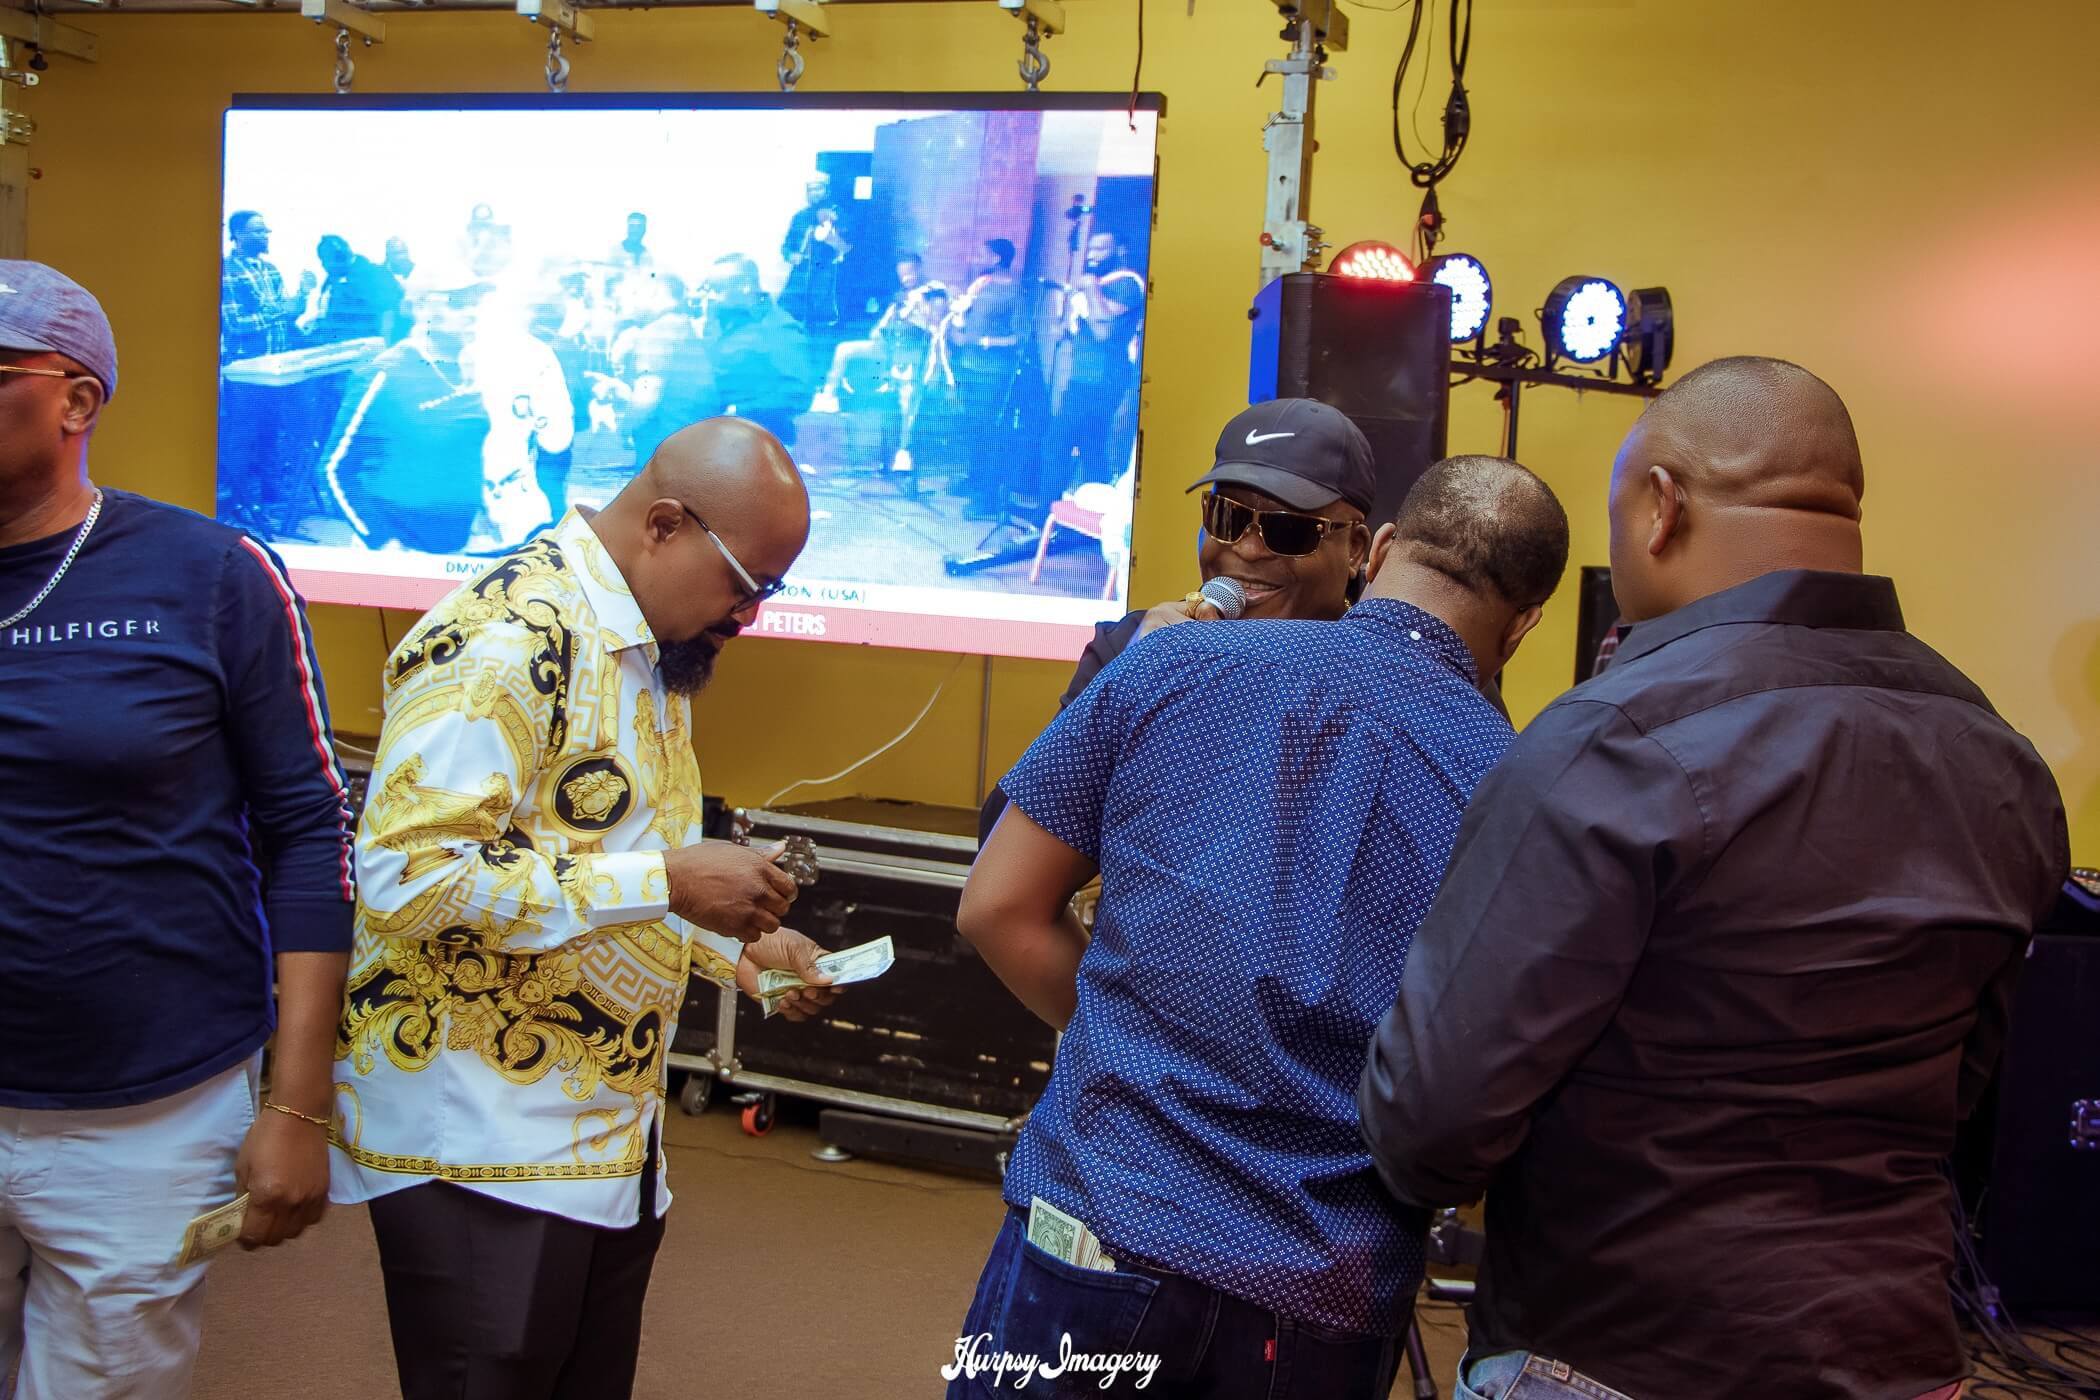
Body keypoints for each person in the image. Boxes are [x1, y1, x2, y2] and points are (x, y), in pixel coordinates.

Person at [1359, 357, 2070, 1400]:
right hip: (1899, 1357)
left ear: (1661, 507)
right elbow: (1967, 1092)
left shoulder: (1613, 737)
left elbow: (1434, 1123)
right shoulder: (2004, 761)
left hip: (1621, 1354)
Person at [952, 454, 1570, 1400]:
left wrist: (1139, 1040)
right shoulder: (1522, 787)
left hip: (1103, 1221)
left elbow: (997, 906)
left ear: (1381, 549)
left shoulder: (1172, 661)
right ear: (1525, 622)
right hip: (1326, 1284)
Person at [331, 417, 844, 1400]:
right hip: (482, 1142)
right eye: (747, 583)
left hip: (605, 1141)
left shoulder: (652, 646)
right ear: (664, 524)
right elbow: (408, 876)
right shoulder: (505, 636)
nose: (752, 614)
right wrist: (669, 883)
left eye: (772, 591)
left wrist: (740, 954)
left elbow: (608, 864)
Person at [0, 261, 354, 1397]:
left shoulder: (210, 575)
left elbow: (310, 833)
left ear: (76, 400)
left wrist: (298, 1102)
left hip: (140, 1112)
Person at [975, 397, 1381, 845]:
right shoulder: (1135, 644)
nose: (1247, 549)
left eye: (1289, 530)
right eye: (1227, 517)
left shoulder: (1385, 680)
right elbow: (1000, 840)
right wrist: (1131, 681)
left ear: (1356, 549)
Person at [318, 279, 494, 555]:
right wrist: (381, 541)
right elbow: (332, 469)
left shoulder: (478, 370)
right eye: (457, 303)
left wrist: (482, 512)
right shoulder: (385, 374)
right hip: (401, 549)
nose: (471, 313)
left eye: (475, 303)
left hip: (460, 546)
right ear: (420, 308)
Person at [1037, 230, 1146, 502]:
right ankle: (1087, 509)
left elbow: (1102, 331)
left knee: (1059, 442)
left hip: (1102, 378)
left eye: (1101, 249)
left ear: (1120, 251)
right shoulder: (1100, 283)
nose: (1092, 255)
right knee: (1090, 446)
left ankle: (1045, 510)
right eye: (1091, 249)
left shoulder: (1127, 283)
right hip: (1083, 375)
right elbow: (1078, 330)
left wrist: (1089, 288)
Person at [945, 237, 1025, 517]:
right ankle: (973, 480)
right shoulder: (981, 285)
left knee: (990, 432)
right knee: (973, 429)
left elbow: (1020, 337)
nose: (977, 259)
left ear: (997, 259)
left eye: (983, 255)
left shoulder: (1015, 292)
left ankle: (987, 497)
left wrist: (985, 342)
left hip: (993, 374)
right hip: (968, 367)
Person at [696, 253, 812, 445]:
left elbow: (798, 393)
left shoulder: (778, 328)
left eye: (717, 289)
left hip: (760, 442)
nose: (711, 297)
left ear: (745, 286)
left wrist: (739, 411)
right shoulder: (720, 321)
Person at [220, 210, 311, 364]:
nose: (265, 236)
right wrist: (280, 311)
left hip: (279, 362)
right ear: (239, 234)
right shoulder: (226, 269)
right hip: (247, 365)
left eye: (266, 232)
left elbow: (287, 316)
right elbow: (235, 324)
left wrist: (303, 293)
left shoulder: (271, 269)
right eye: (258, 231)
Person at [302, 234, 406, 346]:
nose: (323, 265)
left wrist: (388, 344)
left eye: (325, 260)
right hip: (335, 346)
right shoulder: (331, 281)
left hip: (367, 346)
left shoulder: (375, 275)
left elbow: (390, 313)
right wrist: (318, 323)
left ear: (340, 257)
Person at [780, 172, 852, 329]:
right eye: (811, 189)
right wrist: (791, 255)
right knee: (790, 320)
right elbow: (786, 246)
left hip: (828, 276)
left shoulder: (839, 215)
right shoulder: (800, 217)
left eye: (818, 188)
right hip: (802, 275)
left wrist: (832, 238)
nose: (814, 193)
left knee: (824, 324)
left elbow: (849, 246)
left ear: (827, 190)